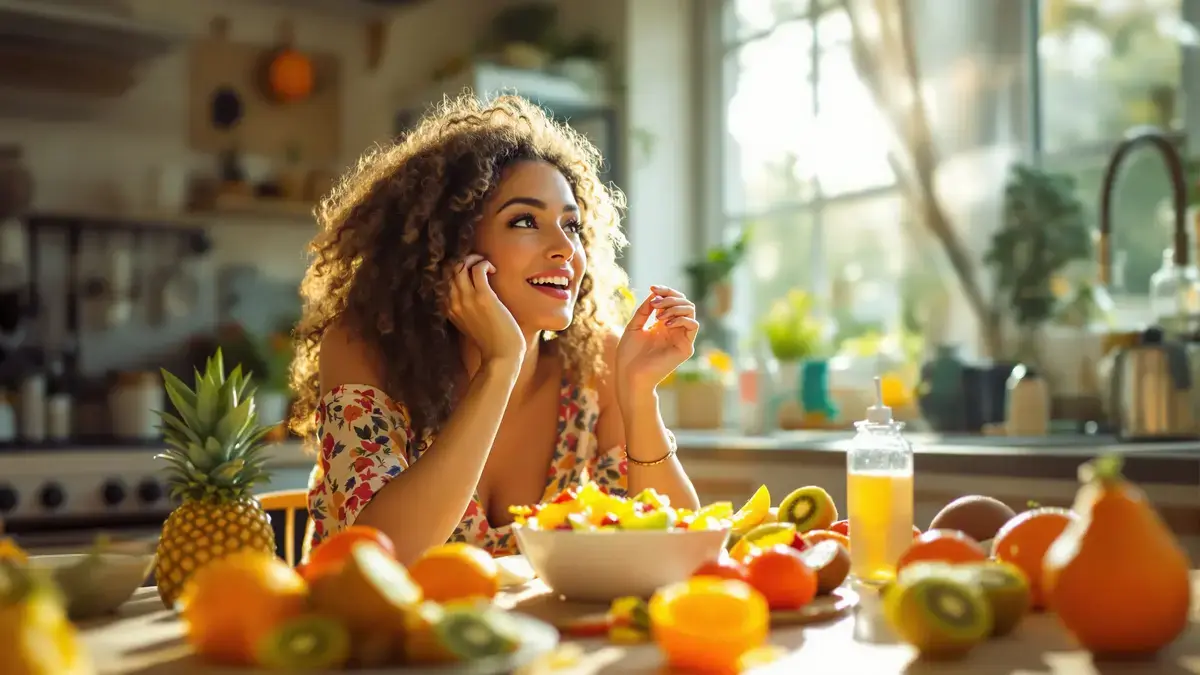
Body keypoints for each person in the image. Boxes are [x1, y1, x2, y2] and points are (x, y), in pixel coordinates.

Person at [289, 95, 701, 564]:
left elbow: (679, 549)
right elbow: (384, 556)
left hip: (515, 635)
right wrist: (499, 367)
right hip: (365, 630)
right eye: (525, 221)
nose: (565, 249)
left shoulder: (598, 363)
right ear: (449, 242)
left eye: (572, 226)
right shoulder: (364, 348)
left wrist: (640, 396)